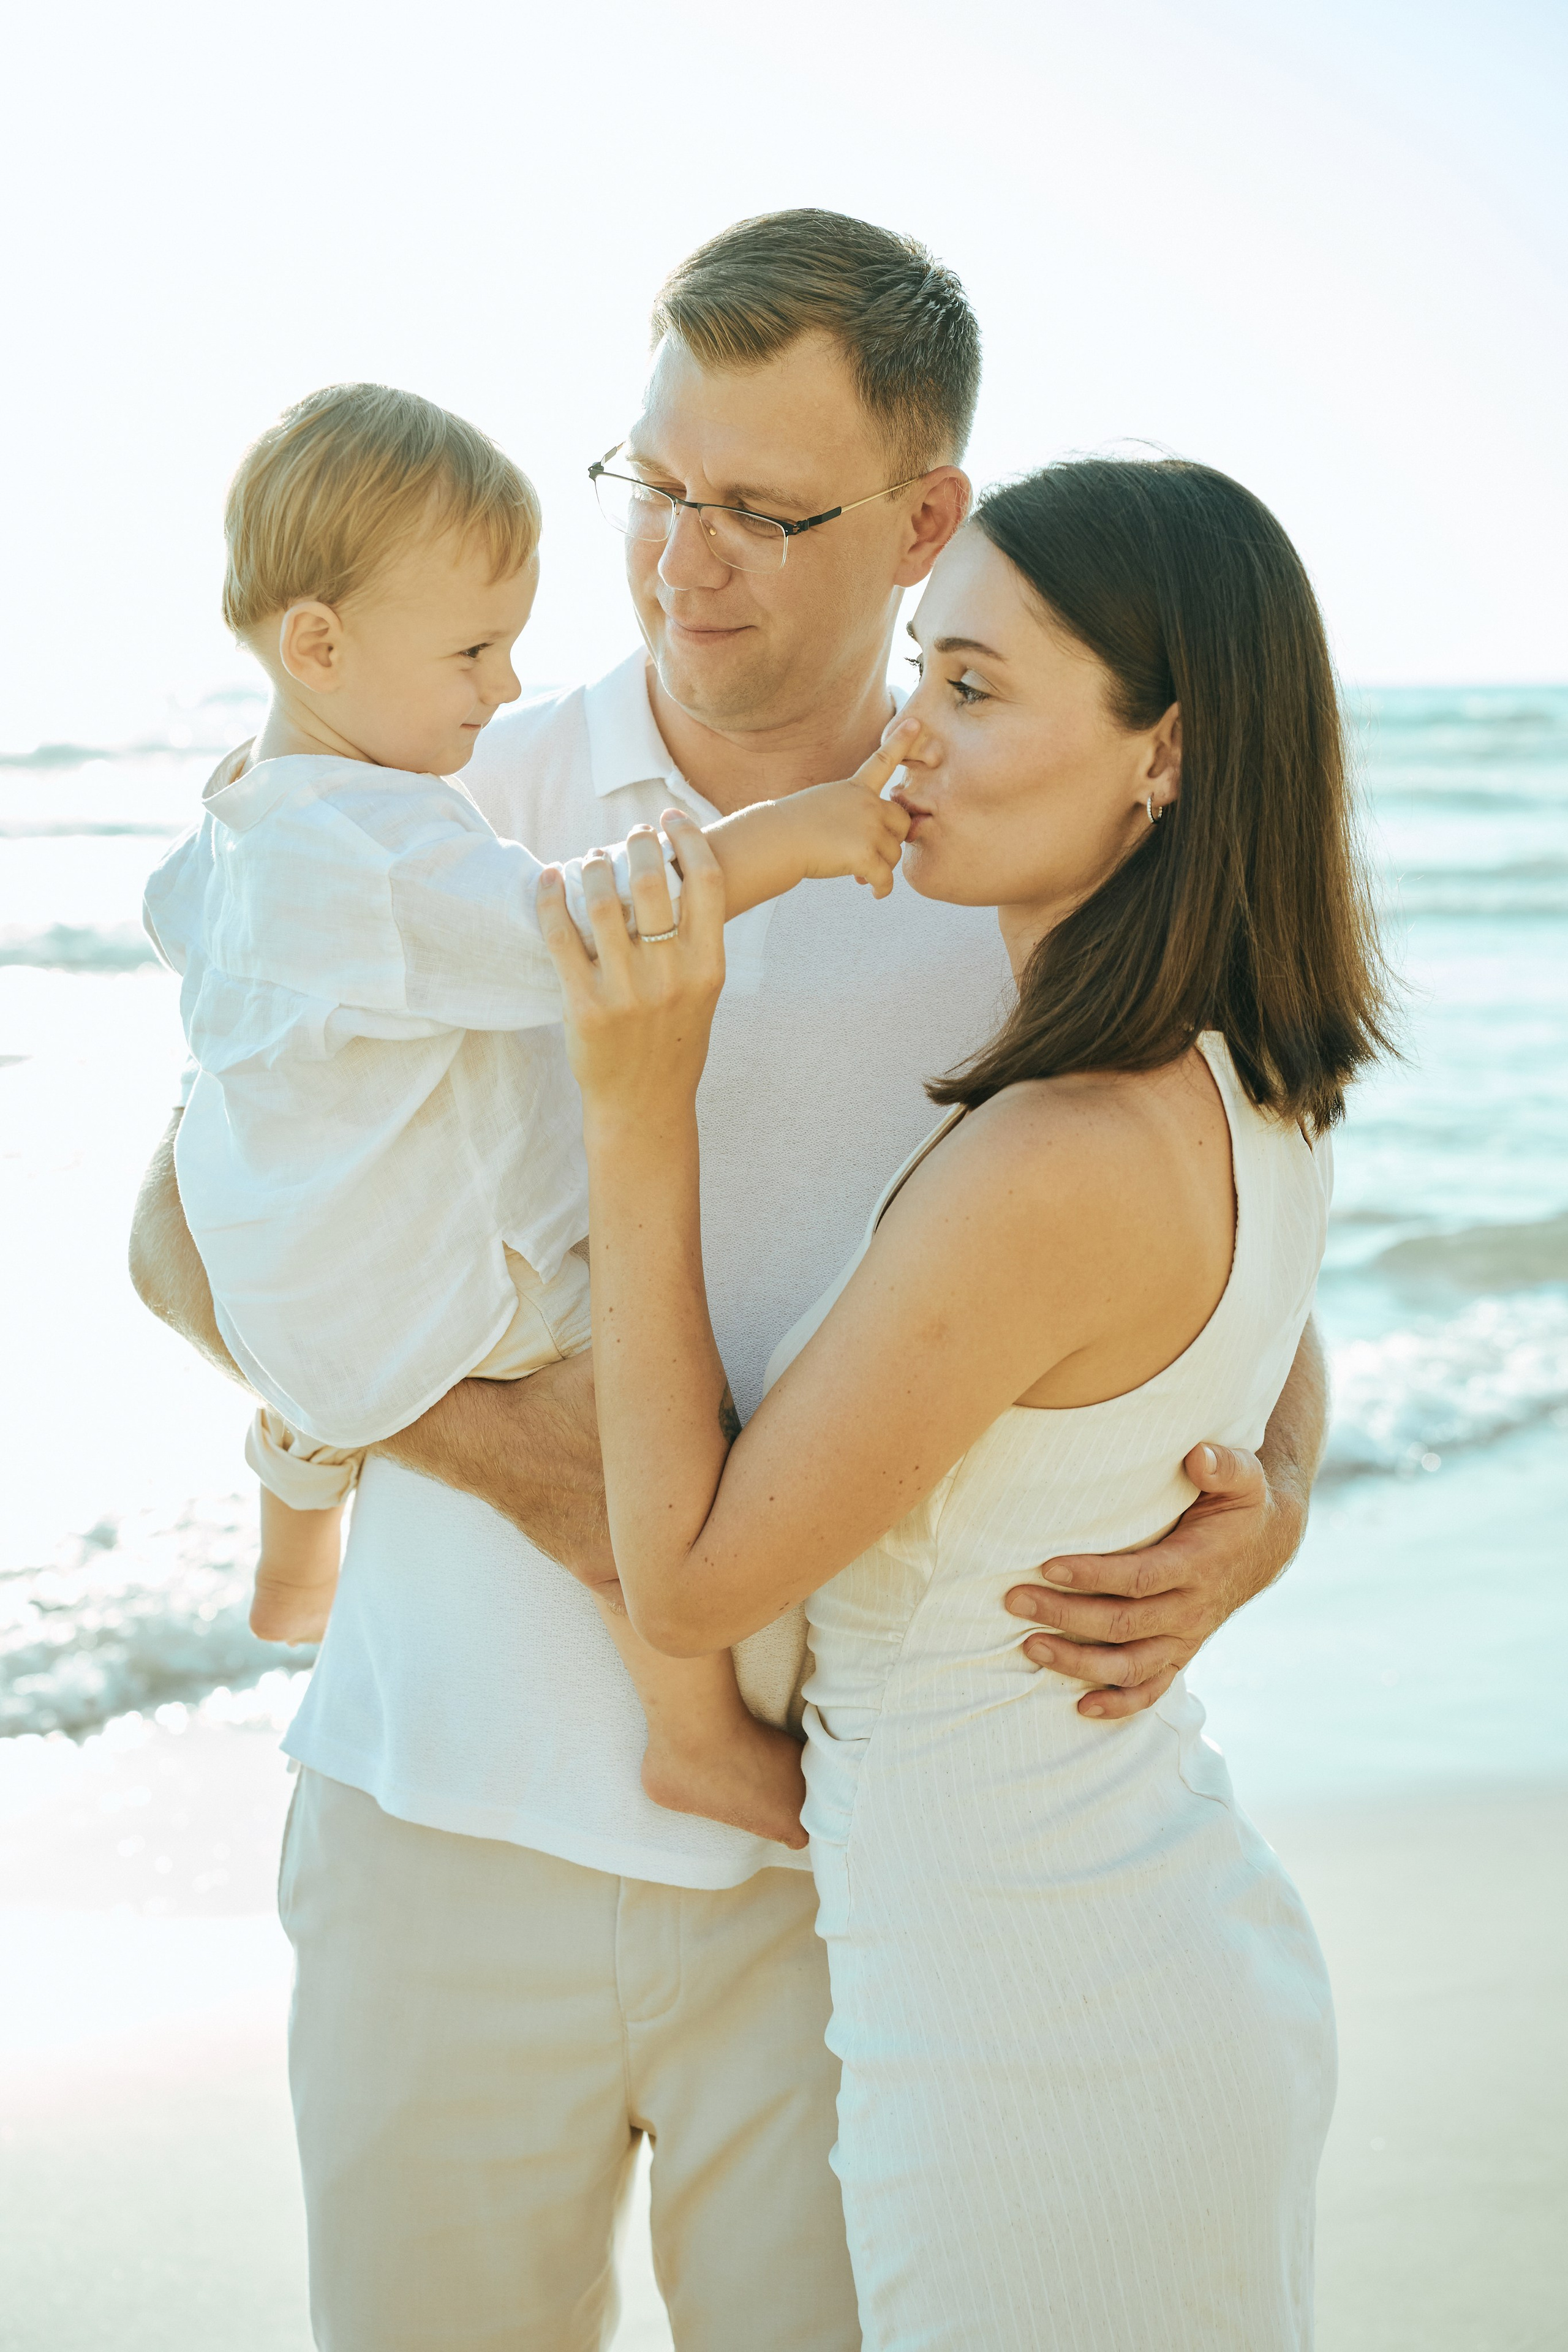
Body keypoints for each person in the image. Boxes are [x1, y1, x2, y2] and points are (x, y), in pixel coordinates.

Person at [129, 212, 1330, 2351]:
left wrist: (1276, 1500)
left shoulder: (1007, 852)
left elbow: (1230, 1272)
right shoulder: (445, 779)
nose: (685, 562)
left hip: (824, 1886)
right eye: (654, 485)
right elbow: (189, 1222)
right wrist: (534, 1468)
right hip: (442, 1815)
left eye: (765, 513)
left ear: (925, 522)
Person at [543, 454, 1391, 2351]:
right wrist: (1273, 1480)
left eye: (979, 689)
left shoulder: (1062, 1152)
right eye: (926, 668)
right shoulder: (1242, 1076)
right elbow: (1259, 1331)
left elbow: (691, 1581)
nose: (906, 734)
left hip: (1051, 2039)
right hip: (1109, 1949)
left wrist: (636, 1101)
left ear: (1165, 754)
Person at [143, 379, 907, 1850]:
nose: (501, 690)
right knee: (644, 1451)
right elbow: (582, 927)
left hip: (279, 1269)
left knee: (318, 1357)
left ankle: (292, 1561)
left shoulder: (244, 813)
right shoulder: (378, 849)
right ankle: (695, 1740)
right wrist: (792, 838)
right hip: (431, 1292)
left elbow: (175, 927)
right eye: (471, 651)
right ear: (320, 646)